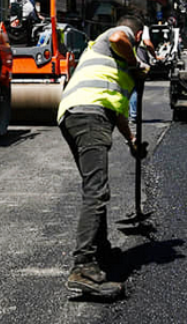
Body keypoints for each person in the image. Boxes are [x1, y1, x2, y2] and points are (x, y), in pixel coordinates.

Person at [57, 15, 149, 299]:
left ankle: (101, 251)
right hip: (89, 114)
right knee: (96, 191)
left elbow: (118, 111)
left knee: (94, 188)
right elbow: (119, 39)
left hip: (76, 114)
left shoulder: (108, 62)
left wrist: (132, 140)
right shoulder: (121, 34)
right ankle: (84, 267)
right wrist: (135, 64)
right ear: (138, 34)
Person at [128, 22, 160, 123]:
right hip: (138, 63)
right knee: (136, 89)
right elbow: (147, 43)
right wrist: (155, 56)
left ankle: (125, 115)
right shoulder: (142, 27)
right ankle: (134, 115)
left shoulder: (123, 27)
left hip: (124, 62)